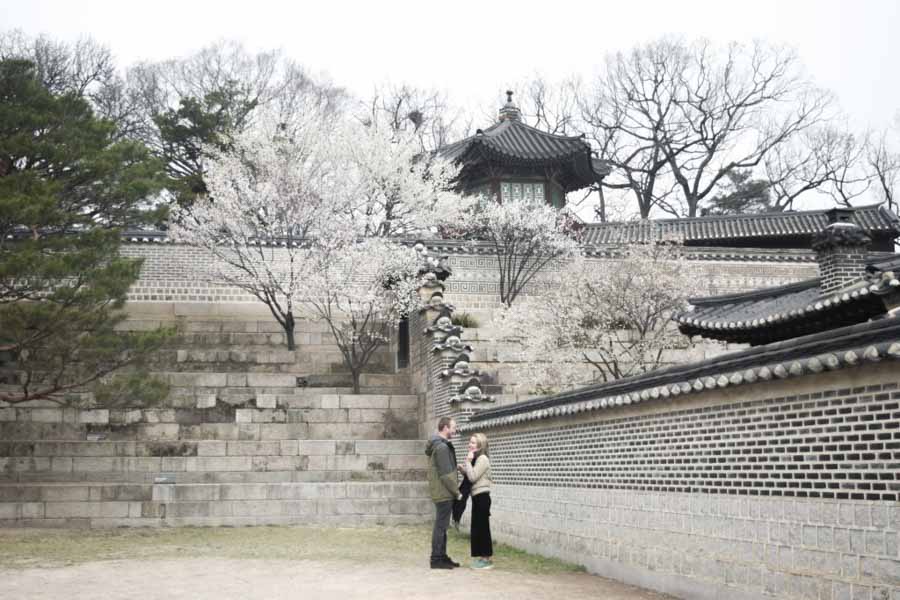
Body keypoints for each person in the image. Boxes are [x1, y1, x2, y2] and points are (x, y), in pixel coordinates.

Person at [425, 416, 463, 569]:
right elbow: (446, 475)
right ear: (445, 428)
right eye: (453, 427)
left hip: (441, 491)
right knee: (441, 526)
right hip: (444, 492)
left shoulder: (438, 445)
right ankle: (436, 559)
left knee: (442, 526)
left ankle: (442, 556)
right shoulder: (441, 447)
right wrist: (457, 492)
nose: (455, 430)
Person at [461, 432, 493, 570]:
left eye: (473, 442)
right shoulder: (478, 458)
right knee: (477, 528)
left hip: (482, 497)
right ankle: (481, 558)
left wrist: (468, 462)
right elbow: (472, 476)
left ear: (480, 445)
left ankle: (486, 559)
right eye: (470, 442)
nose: (470, 444)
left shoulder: (483, 459)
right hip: (477, 497)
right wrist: (463, 470)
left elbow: (473, 477)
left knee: (483, 528)